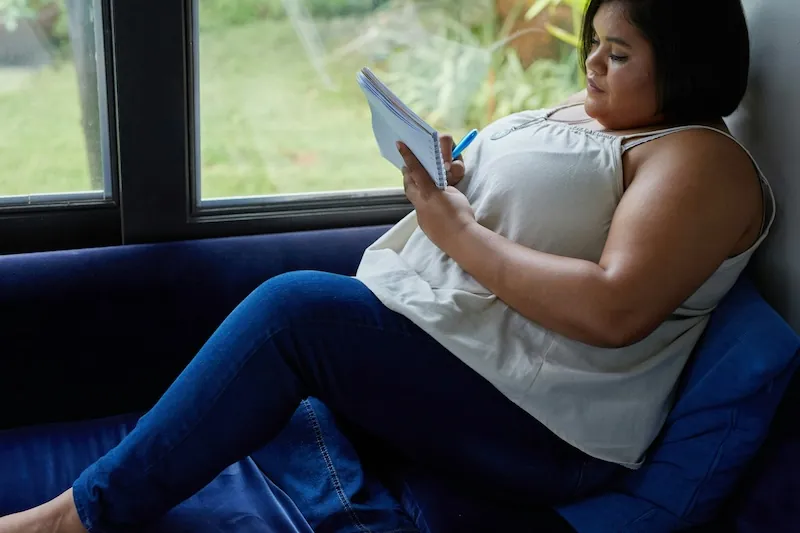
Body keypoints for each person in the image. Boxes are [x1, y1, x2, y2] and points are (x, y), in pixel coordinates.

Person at [0, 0, 774, 531]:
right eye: (594, 41)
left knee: (294, 311)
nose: (593, 65)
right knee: (279, 334)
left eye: (620, 52)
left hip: (542, 429)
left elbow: (614, 307)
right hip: (465, 363)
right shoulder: (598, 112)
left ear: (686, 64)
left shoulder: (699, 158)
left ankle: (80, 513)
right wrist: (463, 175)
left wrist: (456, 228)